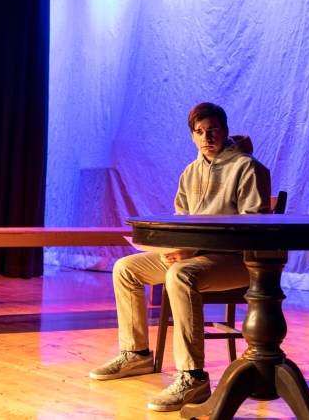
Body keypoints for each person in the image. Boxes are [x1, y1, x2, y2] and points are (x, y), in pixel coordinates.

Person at [90, 102, 271, 412]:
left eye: (212, 130)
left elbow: (251, 231)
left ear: (225, 131)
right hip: (195, 256)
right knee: (125, 268)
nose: (206, 137)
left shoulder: (247, 168)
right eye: (199, 132)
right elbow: (182, 219)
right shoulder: (190, 172)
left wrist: (195, 250)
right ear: (192, 136)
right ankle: (136, 354)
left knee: (181, 274)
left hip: (237, 262)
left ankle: (193, 376)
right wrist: (173, 246)